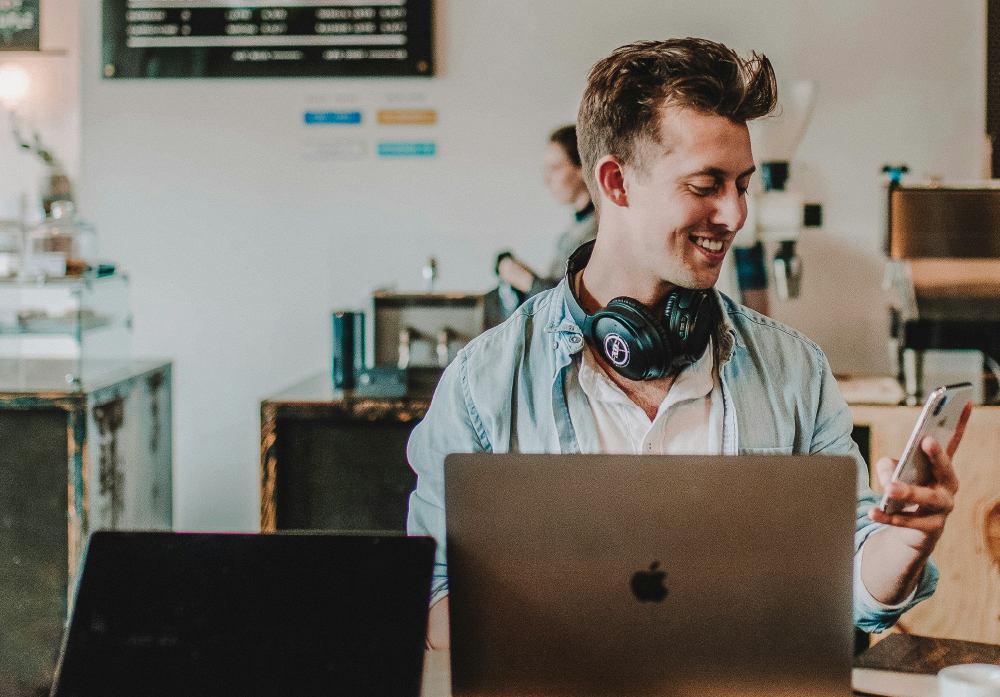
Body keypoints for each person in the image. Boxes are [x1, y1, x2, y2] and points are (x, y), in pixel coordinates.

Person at [407, 38, 971, 650]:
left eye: (742, 184)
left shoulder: (794, 370)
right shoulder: (481, 384)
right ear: (616, 182)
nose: (734, 214)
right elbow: (432, 596)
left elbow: (848, 588)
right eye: (706, 185)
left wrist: (905, 542)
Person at [492, 126, 597, 314]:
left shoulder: (598, 231)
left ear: (582, 168)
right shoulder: (575, 230)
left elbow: (573, 306)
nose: (546, 180)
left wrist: (525, 280)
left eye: (555, 168)